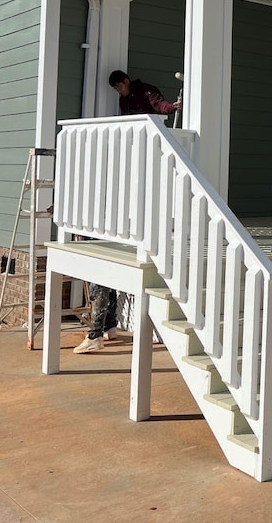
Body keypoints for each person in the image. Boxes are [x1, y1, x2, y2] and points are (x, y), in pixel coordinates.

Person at [73, 70, 182, 354]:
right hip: (132, 160)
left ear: (124, 82)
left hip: (149, 150)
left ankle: (96, 332)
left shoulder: (145, 90)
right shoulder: (124, 104)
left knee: (100, 280)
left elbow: (159, 104)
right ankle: (108, 325)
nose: (118, 93)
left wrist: (173, 108)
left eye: (118, 87)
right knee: (103, 280)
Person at [108, 70, 181, 116]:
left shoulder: (146, 91)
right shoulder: (123, 100)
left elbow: (160, 105)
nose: (119, 91)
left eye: (120, 87)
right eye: (116, 89)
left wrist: (172, 106)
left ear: (126, 81)